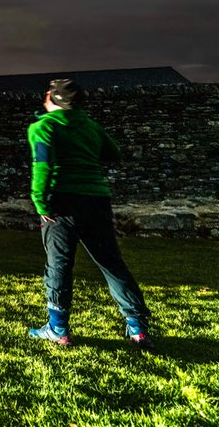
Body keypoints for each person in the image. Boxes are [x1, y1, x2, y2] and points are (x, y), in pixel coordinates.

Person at [26, 79, 152, 348]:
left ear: (51, 97)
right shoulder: (91, 126)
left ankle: (58, 328)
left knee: (58, 265)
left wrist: (40, 203)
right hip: (95, 200)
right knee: (111, 263)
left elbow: (42, 166)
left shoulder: (43, 127)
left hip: (60, 204)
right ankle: (137, 327)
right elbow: (113, 152)